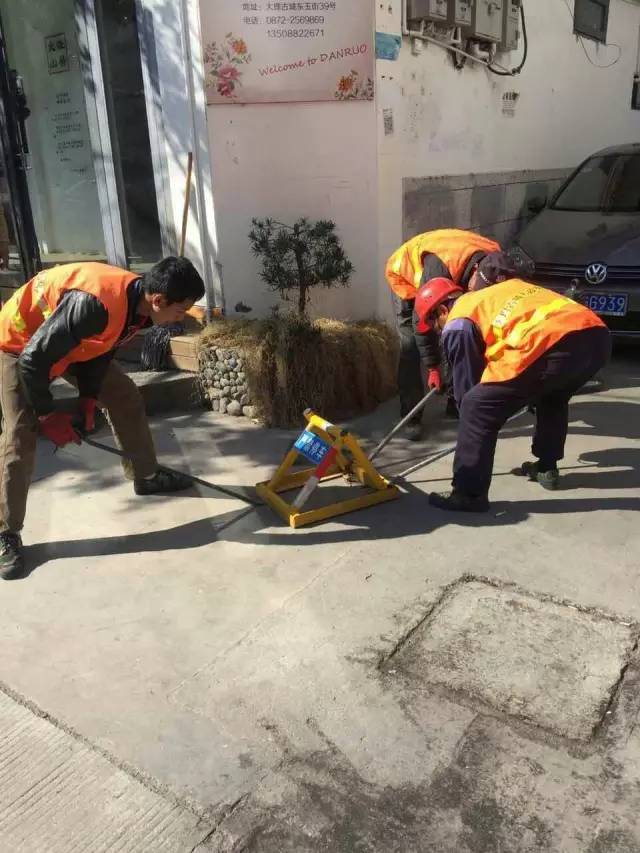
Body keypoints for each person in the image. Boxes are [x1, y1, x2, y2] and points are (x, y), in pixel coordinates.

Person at [0, 256, 206, 578]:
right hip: (20, 342)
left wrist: (88, 398)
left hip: (68, 342)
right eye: (180, 311)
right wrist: (48, 414)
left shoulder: (139, 309)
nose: (179, 320)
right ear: (158, 299)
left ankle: (146, 475)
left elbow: (104, 348)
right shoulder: (95, 304)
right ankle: (6, 533)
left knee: (124, 396)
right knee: (19, 433)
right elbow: (33, 361)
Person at [412, 276, 611, 512]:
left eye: (435, 326)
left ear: (442, 310)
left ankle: (468, 493)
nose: (439, 332)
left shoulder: (457, 321)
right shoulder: (494, 295)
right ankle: (547, 467)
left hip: (550, 343)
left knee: (476, 406)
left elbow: (468, 391)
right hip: (597, 337)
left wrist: (471, 417)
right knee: (552, 394)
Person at [385, 228, 515, 440]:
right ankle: (411, 417)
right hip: (407, 278)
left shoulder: (496, 261)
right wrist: (433, 368)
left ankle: (456, 399)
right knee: (411, 346)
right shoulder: (439, 269)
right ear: (474, 270)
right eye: (478, 288)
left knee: (459, 331)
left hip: (451, 271)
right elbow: (422, 325)